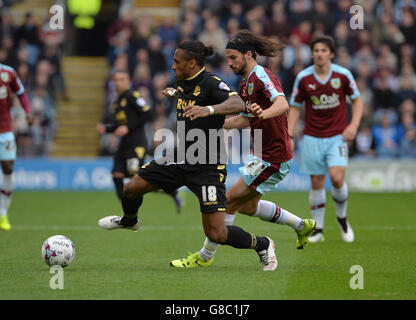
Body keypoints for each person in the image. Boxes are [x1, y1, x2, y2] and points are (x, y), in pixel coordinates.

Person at [98, 40, 278, 271]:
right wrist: (175, 93)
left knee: (217, 233)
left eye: (177, 62)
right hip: (180, 158)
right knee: (131, 188)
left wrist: (209, 110)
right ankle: (129, 220)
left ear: (192, 63)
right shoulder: (184, 81)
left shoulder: (212, 82)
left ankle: (263, 244)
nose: (173, 66)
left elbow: (237, 102)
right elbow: (191, 96)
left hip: (208, 168)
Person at [170, 30, 316, 269]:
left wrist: (264, 113)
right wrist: (212, 123)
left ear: (249, 54)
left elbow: (282, 103)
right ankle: (302, 225)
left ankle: (204, 257)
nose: (229, 62)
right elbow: (246, 119)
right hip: (261, 153)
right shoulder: (246, 82)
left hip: (273, 155)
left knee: (227, 201)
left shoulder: (262, 76)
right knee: (248, 207)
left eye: (233, 57)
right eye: (228, 57)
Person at [288, 35, 363, 243]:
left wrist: (354, 126)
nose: (319, 54)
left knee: (337, 178)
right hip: (312, 137)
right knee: (317, 182)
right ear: (312, 53)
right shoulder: (304, 77)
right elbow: (295, 106)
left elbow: (357, 101)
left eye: (323, 50)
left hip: (337, 137)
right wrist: (290, 134)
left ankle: (342, 219)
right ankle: (318, 229)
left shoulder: (343, 75)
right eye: (316, 50)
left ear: (331, 53)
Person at [96, 70, 182, 212]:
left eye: (121, 79)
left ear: (128, 81)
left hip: (136, 144)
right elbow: (121, 125)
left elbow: (147, 114)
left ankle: (172, 192)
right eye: (116, 80)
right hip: (123, 145)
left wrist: (127, 128)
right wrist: (106, 130)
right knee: (117, 176)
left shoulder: (133, 96)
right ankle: (126, 211)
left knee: (136, 182)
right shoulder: (118, 101)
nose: (118, 82)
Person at [0, 63, 33, 231]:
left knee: (8, 168)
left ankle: (3, 212)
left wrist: (28, 112)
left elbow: (21, 92)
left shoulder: (8, 73)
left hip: (4, 130)